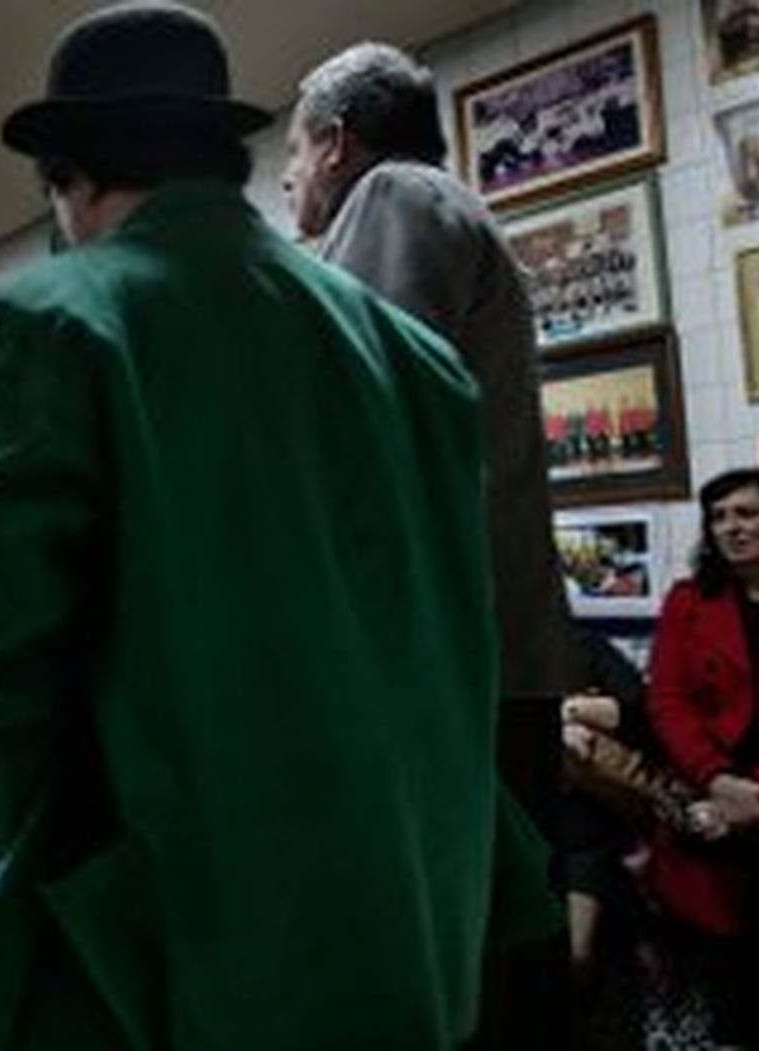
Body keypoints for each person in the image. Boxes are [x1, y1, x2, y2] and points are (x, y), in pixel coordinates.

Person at [0, 5, 501, 1047]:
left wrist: (83, 882)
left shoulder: (52, 318)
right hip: (418, 923)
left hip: (178, 943)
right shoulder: (420, 362)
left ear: (69, 180)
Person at [283, 42, 574, 704]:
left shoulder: (394, 194)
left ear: (335, 143)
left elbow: (356, 421)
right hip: (484, 640)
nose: (287, 176)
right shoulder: (444, 203)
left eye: (294, 150)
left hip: (434, 651)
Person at [643, 467, 759, 1046]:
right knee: (725, 971)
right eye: (718, 517)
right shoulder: (689, 601)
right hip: (706, 802)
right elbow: (666, 702)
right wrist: (716, 780)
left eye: (747, 513)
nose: (730, 528)